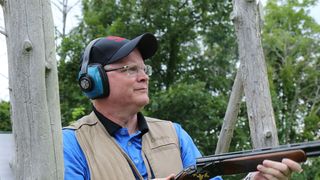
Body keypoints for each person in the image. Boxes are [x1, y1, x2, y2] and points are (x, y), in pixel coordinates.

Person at [63, 33, 303, 180]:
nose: (144, 77)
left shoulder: (174, 134)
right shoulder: (71, 143)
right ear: (93, 81)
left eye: (144, 69)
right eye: (129, 69)